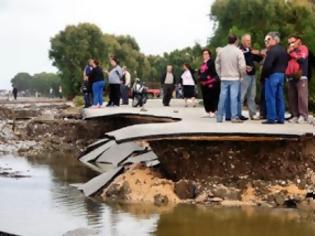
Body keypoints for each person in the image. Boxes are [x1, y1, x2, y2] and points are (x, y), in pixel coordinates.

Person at [215, 35, 247, 123]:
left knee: (222, 97)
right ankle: (234, 117)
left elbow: (217, 64)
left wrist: (220, 74)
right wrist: (241, 75)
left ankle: (219, 117)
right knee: (234, 97)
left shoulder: (221, 51)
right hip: (235, 77)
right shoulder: (238, 51)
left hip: (224, 77)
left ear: (228, 40)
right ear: (236, 41)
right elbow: (242, 66)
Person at [261, 32, 288, 124]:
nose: (267, 41)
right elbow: (286, 63)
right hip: (281, 75)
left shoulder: (272, 51)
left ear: (275, 40)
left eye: (269, 39)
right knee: (280, 97)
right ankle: (281, 118)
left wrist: (263, 76)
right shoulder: (283, 50)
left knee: (270, 97)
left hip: (272, 75)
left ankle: (271, 118)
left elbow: (267, 65)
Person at [239, 34, 263, 120]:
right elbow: (238, 61)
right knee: (241, 95)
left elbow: (258, 58)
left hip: (252, 75)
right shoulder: (240, 50)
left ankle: (252, 114)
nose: (249, 42)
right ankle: (238, 114)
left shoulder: (250, 50)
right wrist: (245, 67)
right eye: (247, 40)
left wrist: (260, 53)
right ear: (243, 41)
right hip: (244, 75)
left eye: (250, 40)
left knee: (252, 95)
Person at [286, 36, 309, 124]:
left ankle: (303, 115)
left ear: (298, 41)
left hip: (301, 76)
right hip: (291, 76)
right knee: (292, 96)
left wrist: (291, 52)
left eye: (292, 42)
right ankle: (295, 115)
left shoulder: (303, 48)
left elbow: (302, 59)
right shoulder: (289, 51)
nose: (290, 44)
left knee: (301, 96)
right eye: (289, 43)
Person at [198, 49, 220, 116]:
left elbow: (214, 72)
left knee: (212, 97)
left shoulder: (212, 62)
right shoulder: (203, 63)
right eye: (204, 54)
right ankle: (208, 111)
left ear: (209, 54)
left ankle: (213, 111)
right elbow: (200, 72)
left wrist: (209, 78)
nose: (205, 55)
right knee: (206, 97)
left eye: (207, 53)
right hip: (204, 83)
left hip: (212, 83)